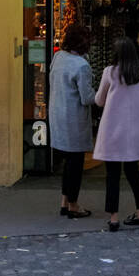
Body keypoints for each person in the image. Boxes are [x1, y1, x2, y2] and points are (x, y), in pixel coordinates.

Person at [93, 36, 139, 231]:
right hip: (134, 129)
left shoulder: (110, 72)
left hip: (112, 128)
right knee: (133, 172)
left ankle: (113, 217)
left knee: (112, 174)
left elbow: (99, 100)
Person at [48, 24, 95, 218]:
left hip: (57, 115)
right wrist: (104, 93)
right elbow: (87, 97)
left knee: (67, 164)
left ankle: (64, 202)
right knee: (75, 165)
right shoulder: (81, 65)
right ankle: (73, 205)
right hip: (74, 120)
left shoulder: (58, 57)